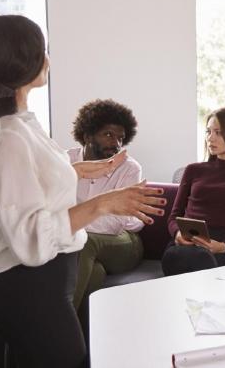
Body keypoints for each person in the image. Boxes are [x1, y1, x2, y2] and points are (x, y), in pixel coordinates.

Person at [0, 15, 164, 367]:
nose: (48, 59)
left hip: (36, 287)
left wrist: (75, 172)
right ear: (20, 60)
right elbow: (31, 236)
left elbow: (30, 185)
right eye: (43, 50)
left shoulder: (19, 125)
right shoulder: (8, 136)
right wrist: (104, 203)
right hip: (32, 289)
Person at [162, 107, 225, 276]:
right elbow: (174, 216)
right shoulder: (193, 170)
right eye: (208, 132)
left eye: (218, 132)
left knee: (200, 259)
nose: (210, 138)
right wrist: (178, 233)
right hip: (187, 241)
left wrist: (223, 246)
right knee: (183, 256)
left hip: (222, 245)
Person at [67, 99, 145, 313]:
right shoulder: (66, 162)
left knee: (84, 240)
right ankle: (77, 337)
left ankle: (56, 323)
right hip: (81, 246)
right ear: (87, 135)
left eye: (121, 138)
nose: (116, 144)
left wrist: (74, 220)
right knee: (95, 273)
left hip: (125, 242)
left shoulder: (130, 169)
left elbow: (115, 224)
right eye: (108, 135)